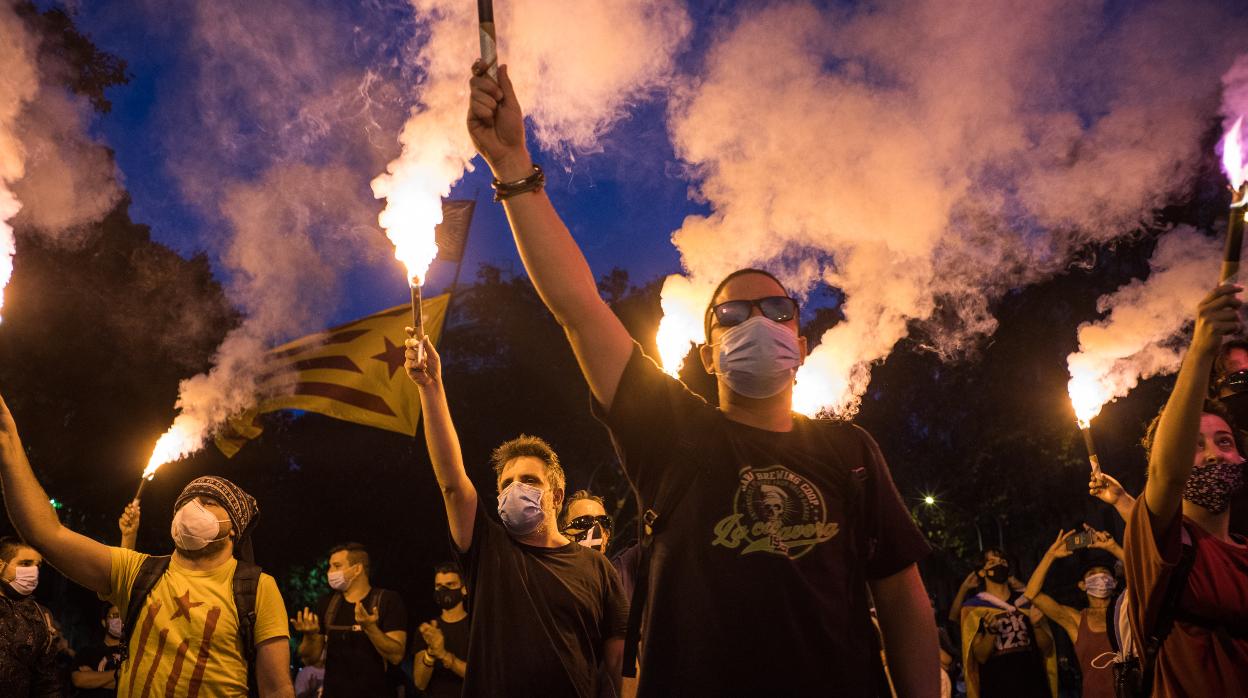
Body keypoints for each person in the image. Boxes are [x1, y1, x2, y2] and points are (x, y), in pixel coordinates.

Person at [463, 60, 938, 696]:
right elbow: (578, 309)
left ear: (799, 342)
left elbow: (905, 604)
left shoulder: (849, 451)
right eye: (732, 316)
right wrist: (513, 169)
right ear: (710, 354)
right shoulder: (671, 429)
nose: (757, 322)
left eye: (776, 310)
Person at [0, 394, 295, 698]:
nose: (191, 509)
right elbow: (45, 533)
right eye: (185, 503)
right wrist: (9, 444)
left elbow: (277, 688)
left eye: (207, 503)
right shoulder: (137, 571)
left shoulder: (257, 588)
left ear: (234, 527)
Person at [403, 336, 628, 697]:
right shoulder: (488, 550)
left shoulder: (597, 568)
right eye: (506, 483)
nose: (515, 488)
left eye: (528, 480)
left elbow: (617, 663)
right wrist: (431, 387)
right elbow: (452, 485)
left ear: (555, 496)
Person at [1124, 283, 1248, 695]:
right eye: (1194, 445)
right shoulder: (1162, 541)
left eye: (1224, 442)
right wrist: (1200, 351)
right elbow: (1167, 477)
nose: (1213, 455)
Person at [291, 543, 406, 698]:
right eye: (330, 566)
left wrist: (370, 627)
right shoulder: (327, 604)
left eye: (336, 566)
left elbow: (396, 655)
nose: (330, 572)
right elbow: (309, 659)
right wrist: (310, 636)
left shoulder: (387, 601)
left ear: (357, 569)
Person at [1023, 528, 1122, 698]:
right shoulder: (1076, 619)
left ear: (1114, 583)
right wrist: (1050, 555)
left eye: (1105, 573)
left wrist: (1113, 548)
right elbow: (1032, 594)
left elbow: (1147, 576)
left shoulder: (1126, 611)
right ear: (1082, 585)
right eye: (1092, 574)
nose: (1100, 577)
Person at [958, 549, 1056, 698]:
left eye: (1003, 561)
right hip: (997, 688)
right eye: (992, 562)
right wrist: (991, 633)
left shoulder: (1027, 602)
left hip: (1034, 687)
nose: (999, 564)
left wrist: (1036, 626)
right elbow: (980, 657)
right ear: (982, 572)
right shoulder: (974, 608)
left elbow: (1047, 649)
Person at [0, 536, 61, 696]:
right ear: (1, 565)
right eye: (25, 564)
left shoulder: (41, 615)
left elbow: (47, 681)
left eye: (37, 566)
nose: (33, 571)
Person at [411, 562, 469, 698]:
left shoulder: (478, 628)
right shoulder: (428, 630)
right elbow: (419, 683)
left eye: (450, 585)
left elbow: (482, 678)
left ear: (464, 589)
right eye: (439, 586)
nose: (443, 590)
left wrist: (444, 655)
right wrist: (430, 653)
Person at [71, 604, 124, 697]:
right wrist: (118, 674)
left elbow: (135, 685)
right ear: (104, 622)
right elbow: (79, 680)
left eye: (122, 616)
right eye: (115, 616)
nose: (119, 620)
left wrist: (93, 678)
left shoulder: (130, 653)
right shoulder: (88, 651)